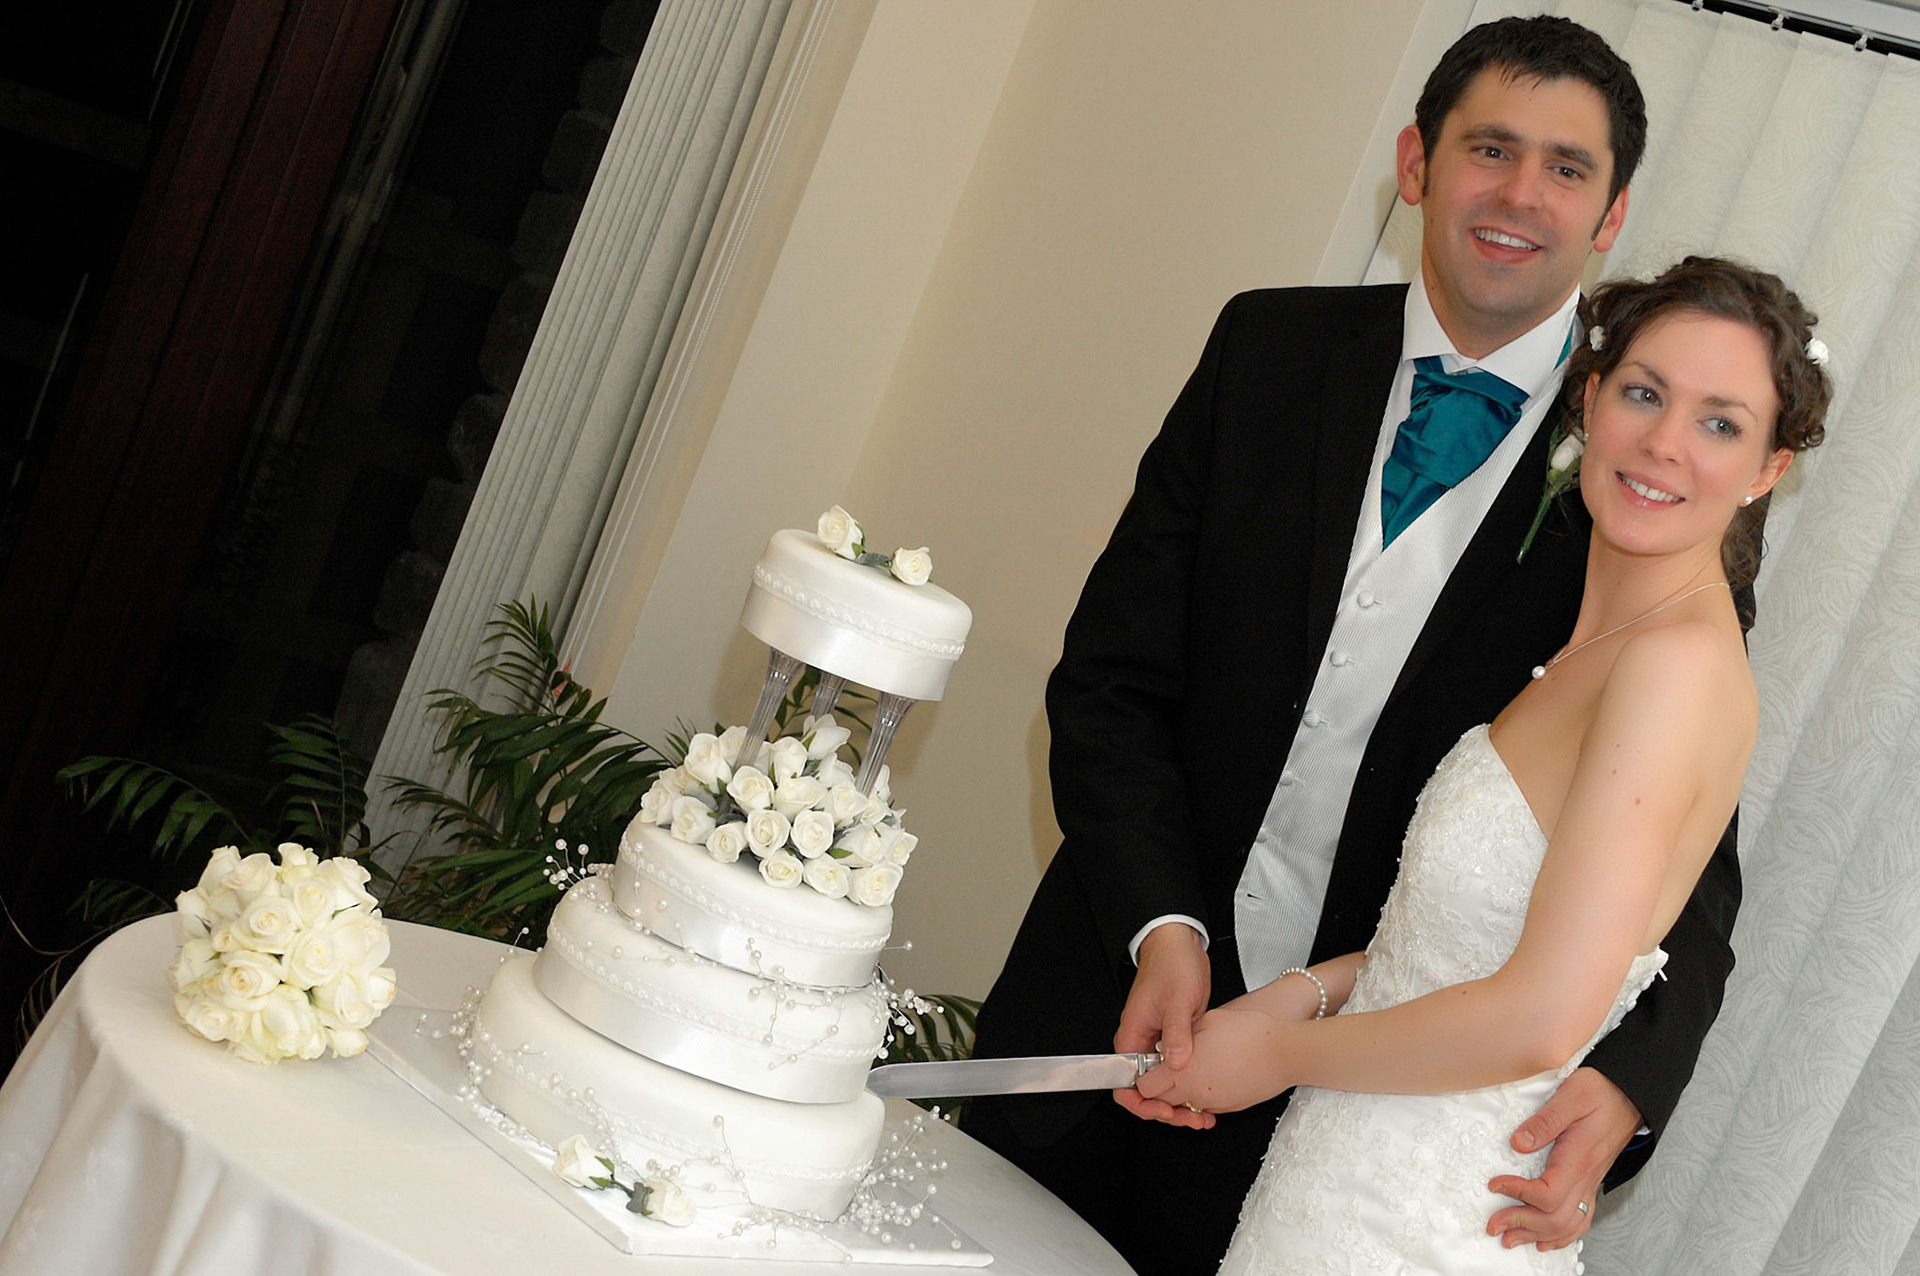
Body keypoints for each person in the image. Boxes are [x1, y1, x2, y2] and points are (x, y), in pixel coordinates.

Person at [962, 16, 1738, 1273]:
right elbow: (1111, 679)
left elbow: (1692, 859)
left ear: (1611, 215)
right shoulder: (1265, 351)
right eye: (1490, 148)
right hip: (1103, 1015)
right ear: (1417, 163)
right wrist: (1162, 924)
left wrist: (1631, 1080)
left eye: (1566, 168)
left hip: (1355, 1122)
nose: (1520, 195)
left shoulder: (1640, 475)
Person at [1135, 255, 1831, 1272]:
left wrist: (1277, 1053)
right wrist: (1306, 994)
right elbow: (1467, 945)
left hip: (1423, 1223)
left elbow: (1545, 1014)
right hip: (1341, 1182)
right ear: (1591, 398)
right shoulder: (1599, 647)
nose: (1665, 443)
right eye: (1645, 394)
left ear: (1768, 469)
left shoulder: (1674, 671)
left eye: (1721, 423)